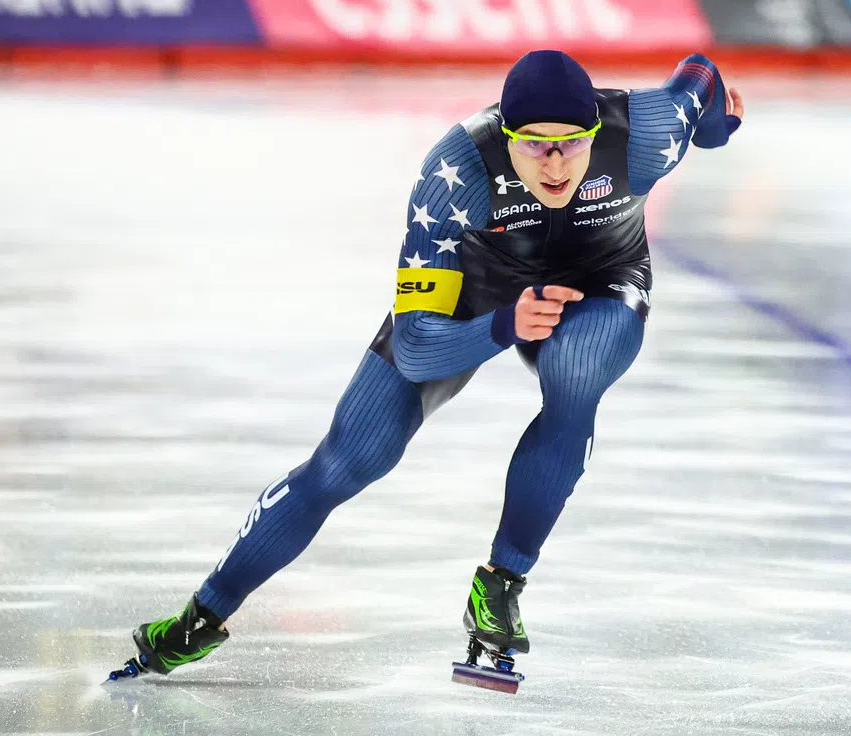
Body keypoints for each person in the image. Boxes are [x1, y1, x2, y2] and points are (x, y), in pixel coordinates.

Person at [108, 49, 744, 682]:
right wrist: (504, 324)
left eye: (570, 146)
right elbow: (415, 348)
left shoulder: (647, 131)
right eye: (532, 147)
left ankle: (500, 583)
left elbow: (699, 76)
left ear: (595, 133)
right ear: (505, 133)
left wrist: (713, 129)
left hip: (601, 281)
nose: (553, 165)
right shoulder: (456, 171)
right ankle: (202, 615)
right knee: (351, 457)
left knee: (575, 370)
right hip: (478, 293)